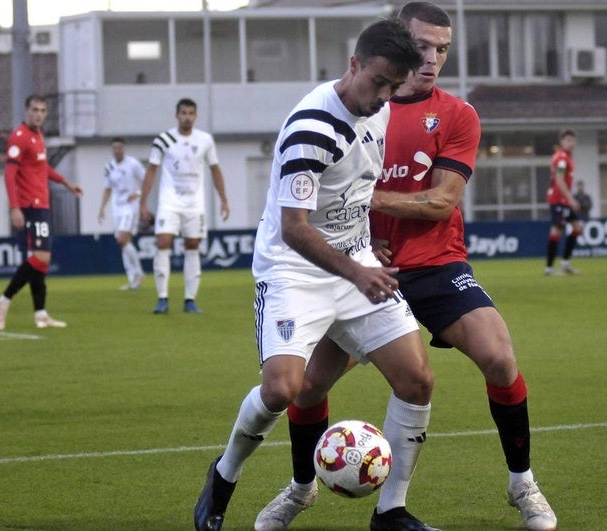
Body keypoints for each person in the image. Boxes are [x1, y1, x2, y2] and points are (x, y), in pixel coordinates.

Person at [256, 4, 557, 531]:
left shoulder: (459, 115)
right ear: (395, 42)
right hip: (361, 270)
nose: (432, 60)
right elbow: (315, 197)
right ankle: (301, 489)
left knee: (500, 358)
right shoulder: (359, 106)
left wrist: (367, 204)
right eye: (422, 46)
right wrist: (359, 239)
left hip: (437, 264)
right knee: (306, 388)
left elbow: (441, 203)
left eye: (443, 49)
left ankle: (522, 484)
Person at [193, 19, 435, 531]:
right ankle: (224, 474)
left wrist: (366, 248)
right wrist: (357, 271)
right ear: (353, 65)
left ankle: (391, 510)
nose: (382, 97)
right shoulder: (310, 130)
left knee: (417, 380)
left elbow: (355, 188)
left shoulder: (382, 108)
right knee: (283, 389)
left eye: (393, 87)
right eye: (377, 83)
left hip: (355, 261)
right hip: (294, 271)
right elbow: (295, 229)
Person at [0, 94, 83, 330]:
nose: (38, 114)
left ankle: (41, 315)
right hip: (30, 206)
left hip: (42, 204)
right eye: (34, 109)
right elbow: (9, 175)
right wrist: (15, 207)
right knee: (42, 258)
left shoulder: (38, 136)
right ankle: (2, 301)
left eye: (42, 110)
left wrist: (66, 182)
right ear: (26, 111)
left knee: (40, 264)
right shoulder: (19, 138)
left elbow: (42, 167)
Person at [139, 98, 230, 314]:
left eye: (191, 113)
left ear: (195, 116)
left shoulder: (205, 140)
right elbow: (151, 170)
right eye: (183, 113)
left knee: (192, 245)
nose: (187, 117)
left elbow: (215, 169)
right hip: (169, 201)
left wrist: (223, 199)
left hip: (194, 203)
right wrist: (143, 202)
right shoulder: (164, 140)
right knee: (163, 242)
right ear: (176, 115)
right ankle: (162, 297)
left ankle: (190, 299)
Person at [97, 137, 146, 290]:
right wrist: (102, 208)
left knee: (122, 239)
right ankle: (133, 280)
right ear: (112, 149)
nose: (117, 150)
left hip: (130, 207)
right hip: (116, 208)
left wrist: (138, 193)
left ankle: (139, 272)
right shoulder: (109, 167)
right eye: (115, 148)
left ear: (124, 148)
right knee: (125, 244)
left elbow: (147, 180)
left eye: (120, 147)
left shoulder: (133, 164)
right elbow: (108, 188)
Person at [545, 129, 583, 276]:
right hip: (559, 200)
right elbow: (559, 181)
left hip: (563, 200)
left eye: (572, 140)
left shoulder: (566, 157)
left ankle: (565, 263)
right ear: (561, 142)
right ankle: (549, 268)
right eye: (567, 140)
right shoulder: (561, 158)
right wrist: (571, 199)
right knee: (557, 230)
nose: (571, 143)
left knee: (577, 227)